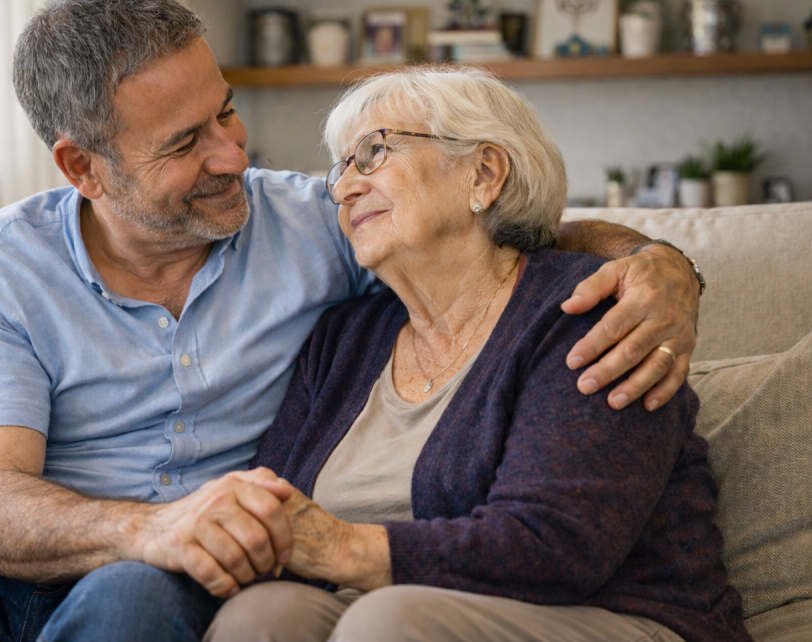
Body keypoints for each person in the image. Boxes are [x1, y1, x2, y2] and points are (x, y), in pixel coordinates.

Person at [0, 0, 705, 642]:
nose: (232, 154)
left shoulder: (318, 226)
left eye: (227, 113)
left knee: (138, 598)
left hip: (156, 585)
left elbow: (490, 240)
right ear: (82, 167)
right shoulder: (0, 267)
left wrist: (659, 262)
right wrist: (156, 524)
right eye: (187, 143)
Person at [204, 68, 748, 642]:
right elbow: (274, 511)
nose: (342, 189)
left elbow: (557, 545)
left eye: (373, 153)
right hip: (389, 615)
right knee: (260, 616)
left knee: (387, 623)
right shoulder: (343, 339)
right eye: (342, 168)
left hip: (612, 615)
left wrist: (341, 547)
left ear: (483, 173)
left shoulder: (586, 310)